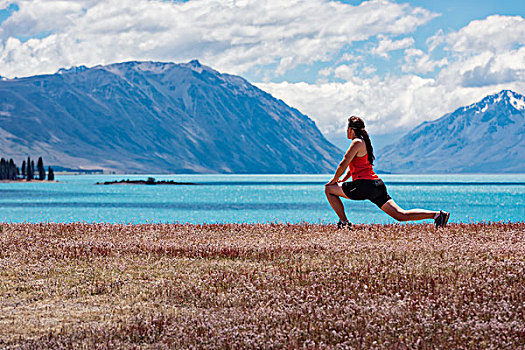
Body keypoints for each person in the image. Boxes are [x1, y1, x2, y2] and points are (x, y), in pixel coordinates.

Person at [325, 116, 450, 228]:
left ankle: (344, 222)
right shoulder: (364, 143)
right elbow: (354, 167)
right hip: (377, 185)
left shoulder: (356, 142)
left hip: (364, 185)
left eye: (347, 128)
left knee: (329, 189)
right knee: (400, 215)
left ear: (351, 130)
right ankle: (437, 215)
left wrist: (334, 180)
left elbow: (344, 163)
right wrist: (343, 179)